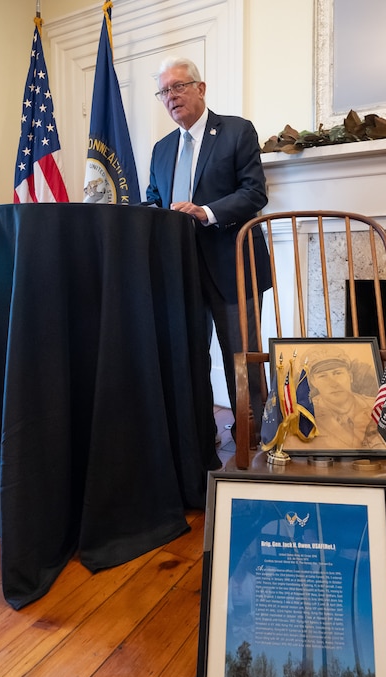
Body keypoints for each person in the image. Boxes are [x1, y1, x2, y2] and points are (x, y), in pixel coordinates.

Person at [145, 57, 271, 436]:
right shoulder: (161, 149)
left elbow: (254, 193)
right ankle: (199, 435)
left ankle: (252, 437)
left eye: (178, 87)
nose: (171, 97)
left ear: (200, 88)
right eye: (164, 91)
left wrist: (204, 212)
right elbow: (154, 198)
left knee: (241, 358)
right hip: (179, 269)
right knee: (188, 358)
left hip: (232, 265)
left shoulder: (236, 132)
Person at [282, 347, 386, 451]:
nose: (333, 383)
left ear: (350, 376)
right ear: (313, 382)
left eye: (337, 373)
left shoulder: (376, 406)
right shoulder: (305, 414)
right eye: (323, 376)